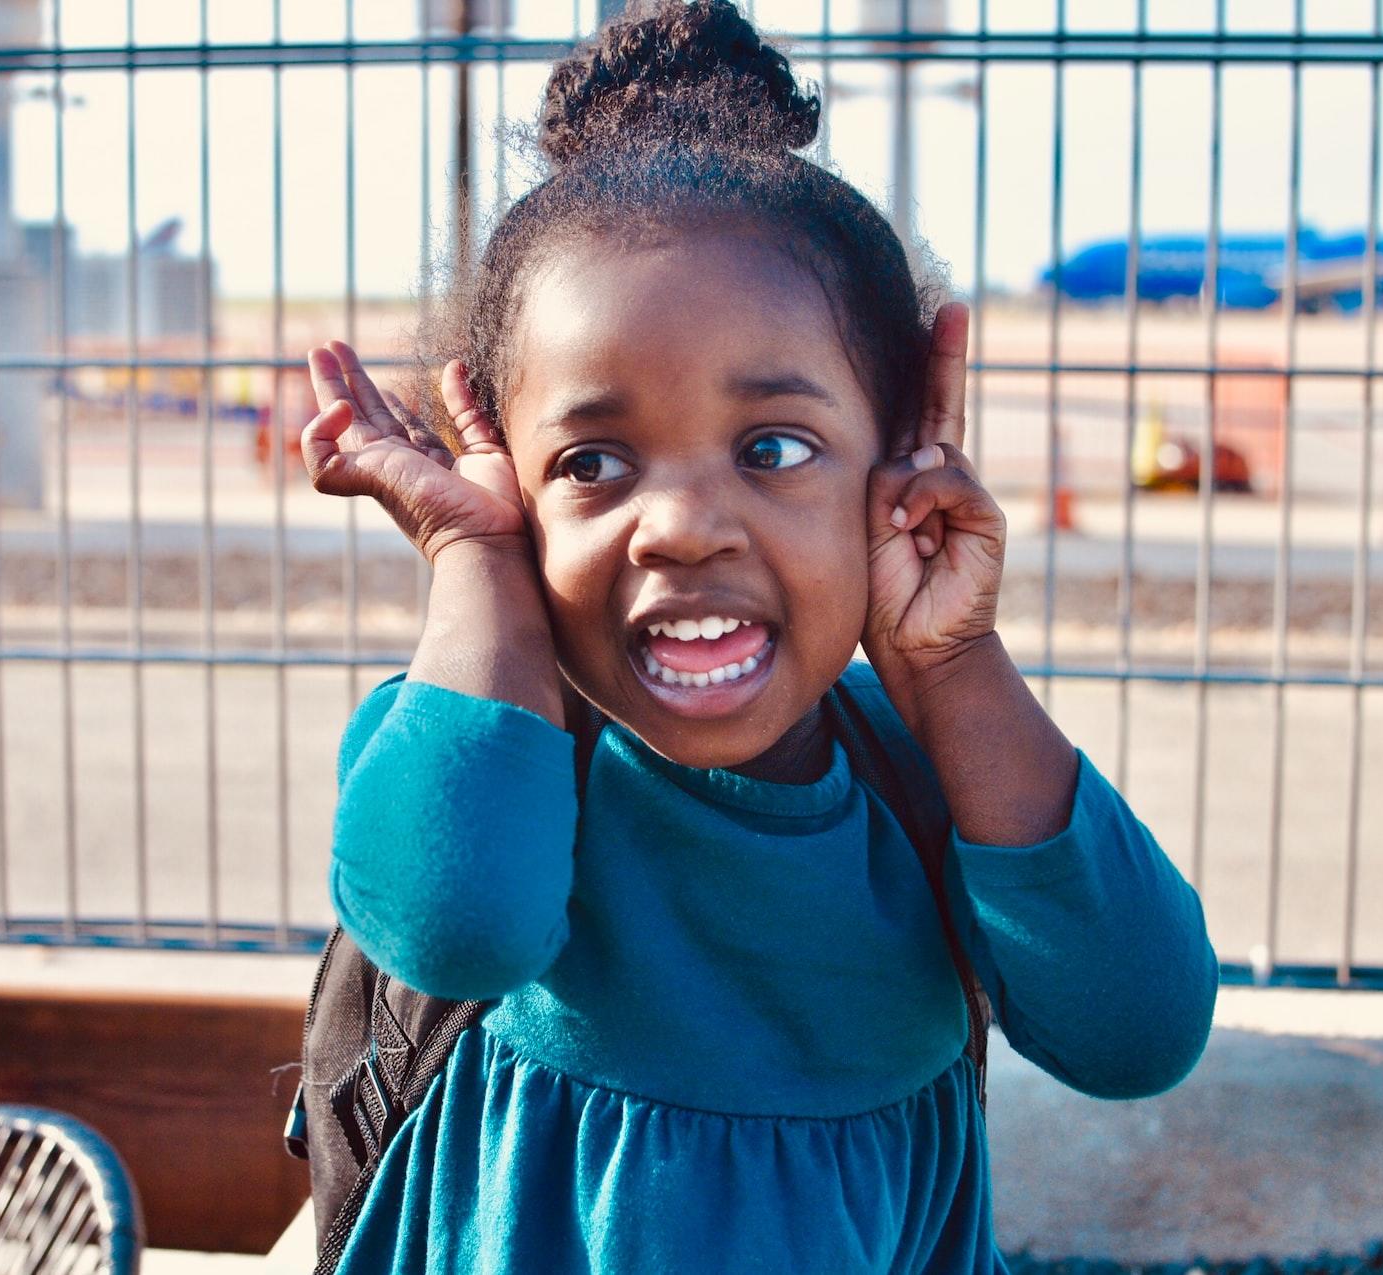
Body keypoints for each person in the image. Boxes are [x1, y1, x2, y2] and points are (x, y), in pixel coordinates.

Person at [297, 2, 1218, 1270]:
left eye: (774, 448)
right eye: (592, 461)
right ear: (503, 471)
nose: (680, 526)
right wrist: (476, 559)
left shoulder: (930, 783)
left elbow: (1141, 1032)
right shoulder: (478, 750)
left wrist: (951, 664)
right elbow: (464, 925)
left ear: (898, 459)